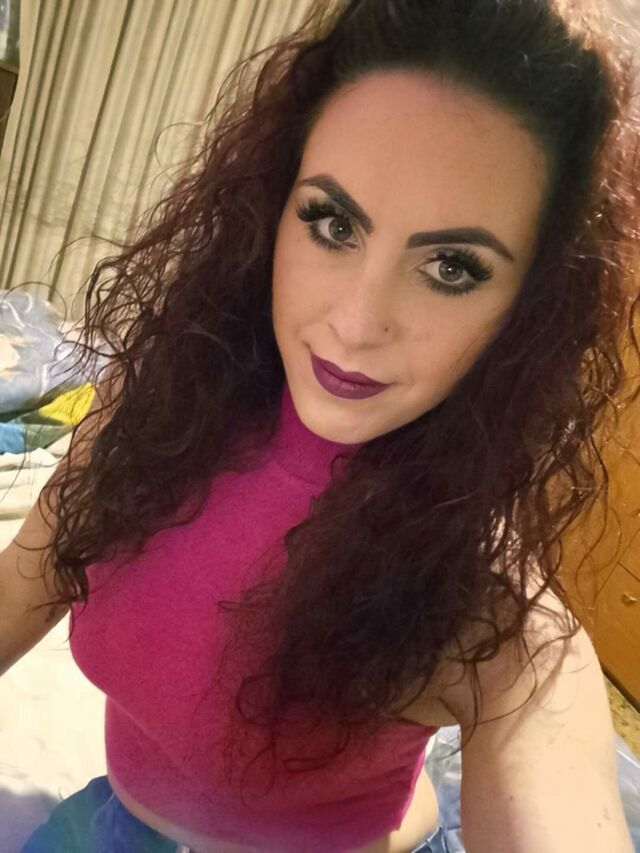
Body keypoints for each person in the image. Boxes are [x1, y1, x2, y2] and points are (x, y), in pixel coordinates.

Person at [7, 0, 639, 850]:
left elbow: (551, 743)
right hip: (120, 821)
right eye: (333, 223)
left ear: (530, 306)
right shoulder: (154, 409)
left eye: (453, 267)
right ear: (273, 208)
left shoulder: (485, 597)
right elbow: (23, 584)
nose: (355, 322)